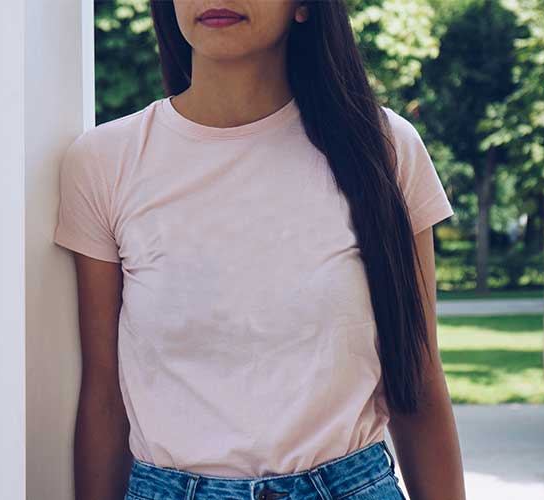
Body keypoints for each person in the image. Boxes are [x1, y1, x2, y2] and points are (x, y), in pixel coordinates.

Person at [53, 1, 466, 499]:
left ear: (305, 7)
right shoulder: (104, 163)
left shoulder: (383, 149)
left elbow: (417, 380)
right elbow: (104, 398)